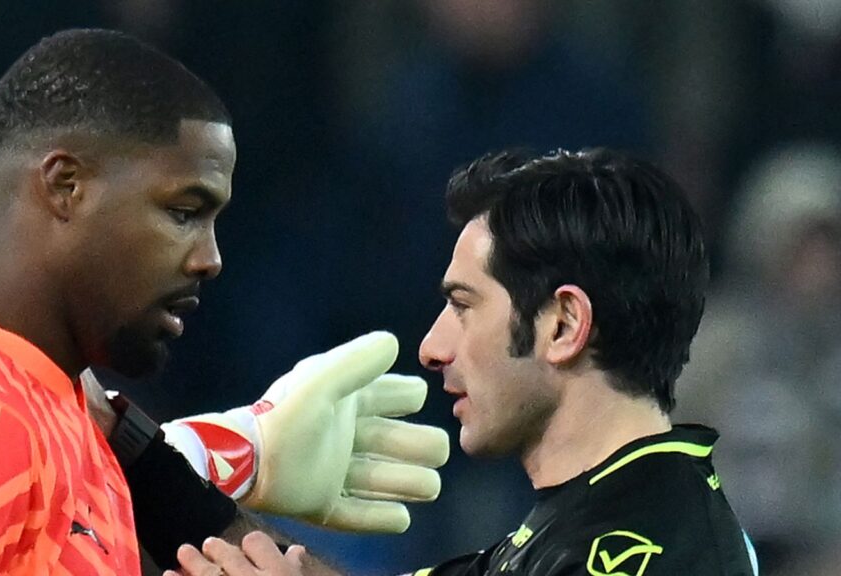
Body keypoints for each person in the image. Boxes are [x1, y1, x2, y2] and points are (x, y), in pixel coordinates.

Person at [0, 29, 449, 576]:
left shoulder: (49, 392)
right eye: (183, 211)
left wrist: (229, 452)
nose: (210, 257)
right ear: (67, 186)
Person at [171, 148, 760, 575]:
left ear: (563, 325)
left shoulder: (659, 551)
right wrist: (209, 455)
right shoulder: (568, 533)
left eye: (463, 305)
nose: (431, 347)